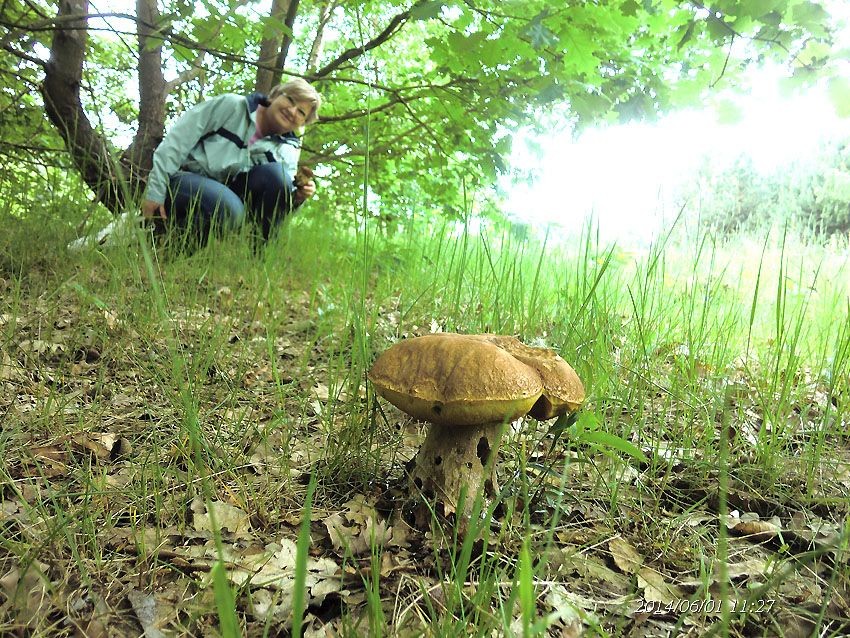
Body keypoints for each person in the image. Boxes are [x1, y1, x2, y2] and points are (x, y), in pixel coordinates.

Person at [141, 78, 321, 242]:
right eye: (290, 100)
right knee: (230, 209)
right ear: (274, 96)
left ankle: (257, 262)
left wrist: (297, 198)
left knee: (277, 177)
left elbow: (278, 207)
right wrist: (155, 192)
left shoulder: (287, 151)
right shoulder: (232, 106)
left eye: (301, 112)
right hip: (183, 182)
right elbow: (176, 143)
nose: (292, 111)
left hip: (229, 198)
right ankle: (155, 243)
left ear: (302, 123)